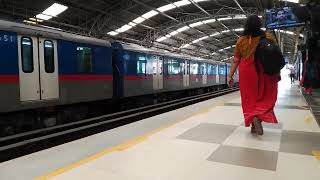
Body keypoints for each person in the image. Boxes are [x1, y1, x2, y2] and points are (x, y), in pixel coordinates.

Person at [227, 15, 280, 135]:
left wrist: (230, 76)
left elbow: (236, 60)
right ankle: (257, 118)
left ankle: (253, 121)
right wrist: (277, 71)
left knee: (249, 99)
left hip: (246, 72)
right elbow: (275, 54)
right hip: (263, 71)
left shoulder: (241, 40)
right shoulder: (267, 37)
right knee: (264, 97)